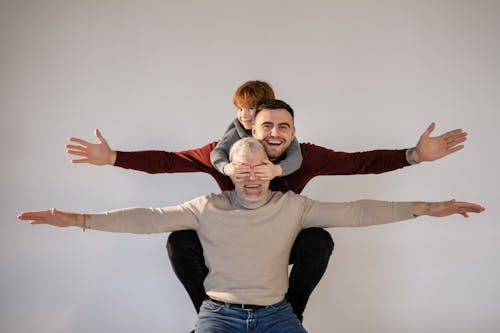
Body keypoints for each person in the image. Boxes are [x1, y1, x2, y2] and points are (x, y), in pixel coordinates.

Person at [65, 96, 467, 323]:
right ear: (251, 129)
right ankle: (209, 315)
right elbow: (168, 161)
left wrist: (415, 155)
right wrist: (114, 157)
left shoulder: (308, 158)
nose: (274, 134)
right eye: (266, 127)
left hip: (286, 236)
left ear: (293, 133)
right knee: (178, 238)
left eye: (283, 128)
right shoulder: (223, 154)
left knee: (318, 239)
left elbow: (360, 164)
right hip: (229, 243)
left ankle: (290, 314)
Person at [20, 138, 484, 333]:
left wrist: (426, 208)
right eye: (240, 168)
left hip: (278, 316)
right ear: (228, 170)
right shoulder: (206, 207)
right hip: (218, 316)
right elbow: (147, 217)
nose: (250, 175)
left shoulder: (293, 206)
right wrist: (79, 218)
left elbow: (358, 210)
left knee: (322, 236)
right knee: (174, 240)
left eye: (258, 167)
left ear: (272, 168)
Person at [210, 80, 303, 179]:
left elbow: (296, 157)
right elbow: (218, 152)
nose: (244, 115)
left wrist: (276, 170)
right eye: (240, 109)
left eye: (251, 108)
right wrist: (227, 168)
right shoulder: (236, 131)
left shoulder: (280, 134)